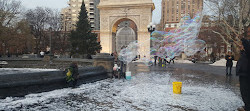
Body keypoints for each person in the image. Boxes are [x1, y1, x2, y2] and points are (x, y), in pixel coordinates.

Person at [236, 37, 250, 111]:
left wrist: (243, 40)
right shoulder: (246, 51)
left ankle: (248, 107)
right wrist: (242, 51)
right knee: (244, 92)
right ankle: (247, 106)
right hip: (244, 73)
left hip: (246, 73)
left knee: (245, 92)